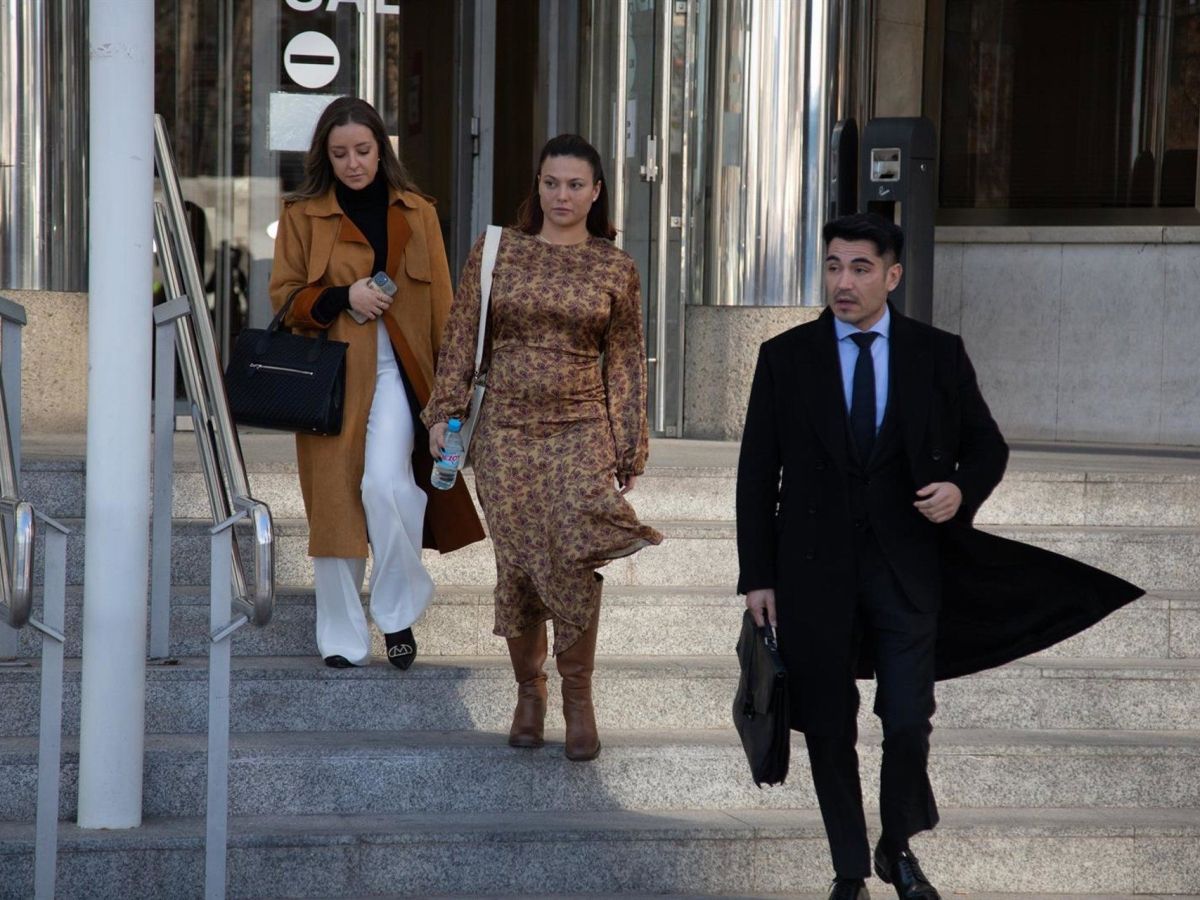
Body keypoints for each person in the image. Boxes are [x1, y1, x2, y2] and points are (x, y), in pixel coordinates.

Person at [735, 213, 1143, 900]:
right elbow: (756, 474)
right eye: (833, 266)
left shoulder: (937, 353)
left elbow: (986, 447)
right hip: (812, 570)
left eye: (860, 268)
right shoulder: (785, 357)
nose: (843, 282)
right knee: (828, 725)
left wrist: (960, 489)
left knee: (905, 718)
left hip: (907, 566)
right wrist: (758, 577)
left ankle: (896, 846)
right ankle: (849, 871)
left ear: (892, 275)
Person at [422, 134, 662, 761]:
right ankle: (530, 693)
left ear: (596, 192)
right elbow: (461, 335)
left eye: (575, 185)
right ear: (538, 185)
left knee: (573, 555)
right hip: (505, 430)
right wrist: (444, 413)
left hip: (581, 427)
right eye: (552, 183)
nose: (562, 195)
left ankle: (578, 697)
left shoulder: (614, 267)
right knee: (520, 561)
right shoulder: (497, 250)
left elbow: (626, 359)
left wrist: (629, 445)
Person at [269, 96, 483, 670]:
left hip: (398, 372)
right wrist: (343, 296)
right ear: (326, 156)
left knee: (387, 486)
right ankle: (342, 638)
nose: (353, 163)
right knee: (334, 508)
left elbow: (444, 309)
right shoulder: (302, 215)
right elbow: (283, 297)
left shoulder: (417, 212)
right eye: (340, 153)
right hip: (330, 374)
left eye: (362, 150)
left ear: (381, 150)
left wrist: (450, 397)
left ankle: (396, 611)